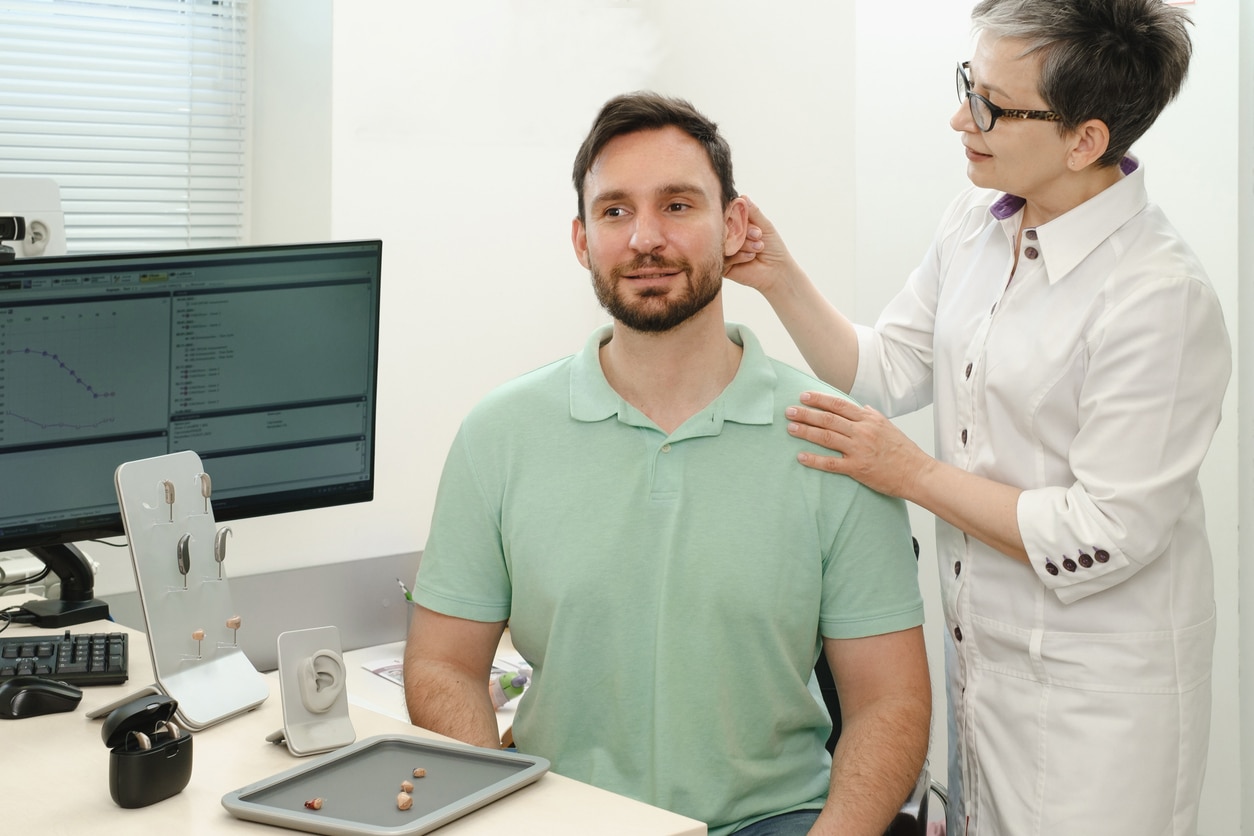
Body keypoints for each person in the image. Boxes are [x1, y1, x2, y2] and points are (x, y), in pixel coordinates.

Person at [725, 2, 1231, 834]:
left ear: (1085, 140)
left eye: (994, 105)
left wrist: (911, 474)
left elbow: (1103, 530)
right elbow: (887, 367)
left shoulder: (1158, 299)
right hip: (983, 668)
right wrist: (778, 276)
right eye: (969, 85)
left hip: (1096, 708)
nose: (962, 118)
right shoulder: (977, 222)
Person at [403, 91, 932, 836]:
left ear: (736, 226)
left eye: (678, 205)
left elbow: (890, 703)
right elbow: (441, 666)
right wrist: (494, 813)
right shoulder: (500, 434)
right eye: (616, 212)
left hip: (773, 820)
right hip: (564, 816)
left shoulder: (832, 436)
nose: (645, 238)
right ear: (583, 240)